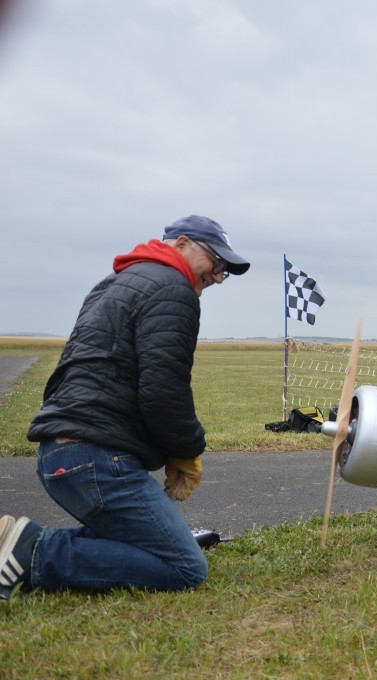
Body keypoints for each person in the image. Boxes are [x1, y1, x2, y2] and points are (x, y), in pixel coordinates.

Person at [1, 216, 250, 601]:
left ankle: (15, 544)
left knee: (144, 545)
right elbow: (164, 389)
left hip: (59, 453)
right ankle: (34, 552)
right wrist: (186, 451)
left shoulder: (114, 283)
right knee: (185, 567)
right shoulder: (173, 288)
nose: (219, 276)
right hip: (96, 458)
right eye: (216, 262)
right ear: (182, 243)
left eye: (225, 271)